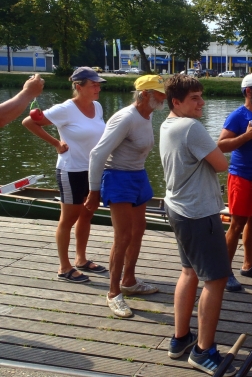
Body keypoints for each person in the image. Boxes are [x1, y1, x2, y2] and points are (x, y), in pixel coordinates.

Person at [160, 75, 235, 376]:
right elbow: (222, 163)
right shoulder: (191, 127)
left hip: (177, 208)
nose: (202, 103)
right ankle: (204, 352)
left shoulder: (167, 125)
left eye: (201, 96)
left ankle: (180, 339)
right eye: (194, 98)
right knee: (215, 280)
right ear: (176, 102)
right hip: (199, 215)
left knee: (188, 272)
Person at [85, 75, 167, 318]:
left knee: (139, 229)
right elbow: (97, 154)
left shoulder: (148, 113)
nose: (164, 97)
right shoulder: (125, 118)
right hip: (117, 177)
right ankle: (113, 293)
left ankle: (129, 281)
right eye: (159, 93)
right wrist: (93, 191)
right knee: (123, 237)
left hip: (138, 175)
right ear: (144, 95)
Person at [22, 67, 106, 283]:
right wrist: (56, 143)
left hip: (92, 171)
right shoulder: (66, 109)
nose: (98, 87)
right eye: (93, 84)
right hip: (71, 170)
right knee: (68, 219)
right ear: (79, 87)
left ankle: (81, 259)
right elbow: (29, 122)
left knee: (87, 214)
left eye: (99, 84)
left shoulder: (97, 107)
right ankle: (64, 267)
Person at [217, 72, 252, 292]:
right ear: (248, 91)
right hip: (241, 176)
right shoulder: (238, 116)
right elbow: (221, 145)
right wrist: (246, 137)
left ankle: (248, 265)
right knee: (237, 223)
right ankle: (224, 271)